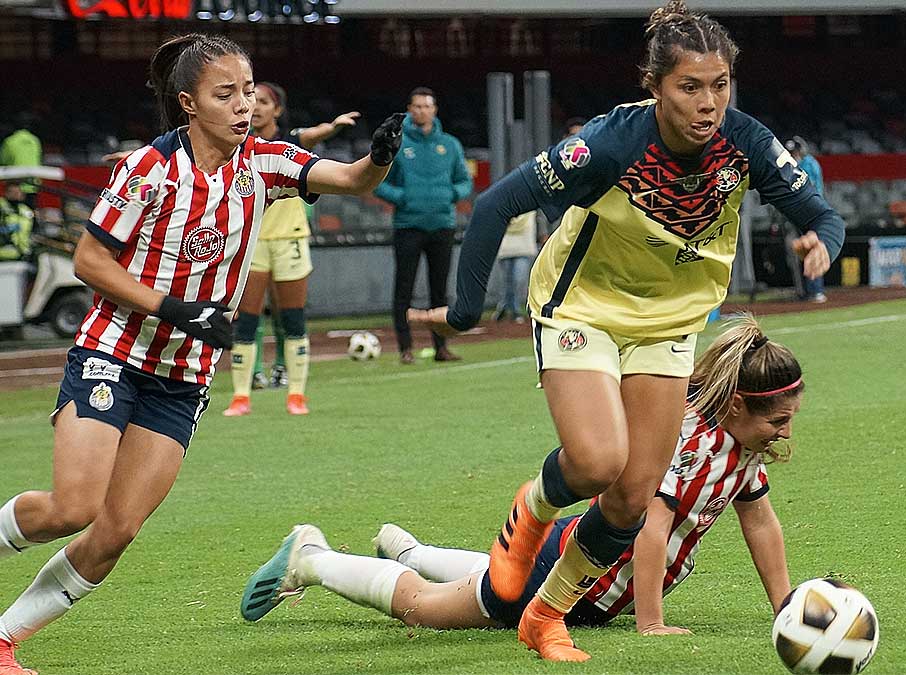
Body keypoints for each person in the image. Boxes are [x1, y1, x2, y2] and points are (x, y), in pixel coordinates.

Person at [408, 0, 844, 661]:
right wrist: (465, 312)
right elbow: (497, 202)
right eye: (689, 87)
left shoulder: (748, 143)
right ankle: (530, 512)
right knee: (595, 461)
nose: (708, 104)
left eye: (719, 85)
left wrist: (821, 241)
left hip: (668, 325)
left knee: (634, 495)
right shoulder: (609, 144)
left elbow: (820, 213)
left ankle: (544, 615)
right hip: (582, 305)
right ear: (655, 86)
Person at [0, 33, 404, 675]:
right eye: (227, 94)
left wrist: (378, 159)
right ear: (189, 103)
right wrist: (173, 308)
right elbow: (88, 259)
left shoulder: (265, 162)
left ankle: (3, 639)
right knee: (73, 507)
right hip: (116, 351)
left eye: (248, 91)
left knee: (116, 533)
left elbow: (352, 180)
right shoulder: (147, 169)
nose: (244, 105)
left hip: (182, 379)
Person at [240, 315, 798, 639]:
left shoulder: (740, 448)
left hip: (581, 558)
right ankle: (312, 559)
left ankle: (409, 552)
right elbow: (650, 530)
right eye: (776, 419)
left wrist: (784, 606)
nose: (783, 431)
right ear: (734, 407)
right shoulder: (695, 444)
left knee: (489, 575)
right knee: (427, 610)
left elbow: (761, 523)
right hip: (573, 577)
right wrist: (650, 622)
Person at [223, 81, 361, 417]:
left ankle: (296, 394)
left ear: (278, 111)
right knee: (245, 322)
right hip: (253, 242)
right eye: (253, 100)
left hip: (290, 239)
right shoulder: (236, 144)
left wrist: (331, 128)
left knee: (293, 319)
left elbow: (311, 136)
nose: (255, 107)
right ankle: (241, 396)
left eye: (264, 102)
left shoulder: (288, 144)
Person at [374, 87, 472, 364]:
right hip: (409, 225)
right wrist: (403, 198)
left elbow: (464, 181)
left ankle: (441, 346)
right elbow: (378, 181)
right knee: (403, 288)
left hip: (442, 224)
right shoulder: (398, 143)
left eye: (426, 106)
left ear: (435, 110)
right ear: (409, 110)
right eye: (416, 107)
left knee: (439, 289)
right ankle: (405, 347)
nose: (422, 111)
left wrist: (450, 195)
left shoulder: (450, 145)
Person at [784, 137, 827, 303]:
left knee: (812, 249)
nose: (793, 154)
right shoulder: (793, 165)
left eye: (795, 151)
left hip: (811, 212)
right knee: (798, 252)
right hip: (797, 213)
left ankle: (816, 290)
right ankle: (804, 290)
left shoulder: (809, 164)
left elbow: (810, 188)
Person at [492, 211, 538, 322]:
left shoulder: (530, 203)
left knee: (518, 279)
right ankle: (505, 307)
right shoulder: (504, 202)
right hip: (505, 246)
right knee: (506, 281)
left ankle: (512, 308)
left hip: (524, 246)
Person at [0, 116, 42, 209]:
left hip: (15, 187)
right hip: (32, 185)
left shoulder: (9, 141)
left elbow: (3, 162)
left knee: (14, 217)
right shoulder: (35, 141)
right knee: (30, 216)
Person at [0, 182, 34, 261]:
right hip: (4, 249)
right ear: (7, 193)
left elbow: (29, 229)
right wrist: (4, 230)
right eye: (14, 192)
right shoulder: (1, 205)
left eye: (19, 192)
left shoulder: (25, 209)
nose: (18, 194)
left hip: (22, 251)